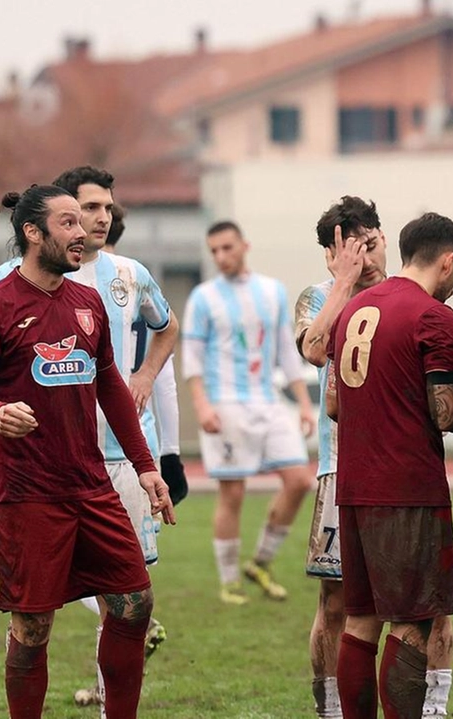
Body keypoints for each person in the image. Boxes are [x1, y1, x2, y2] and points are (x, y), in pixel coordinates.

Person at [0, 167, 180, 710]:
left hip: (92, 485)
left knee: (133, 602)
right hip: (28, 494)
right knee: (33, 629)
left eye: (84, 222)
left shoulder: (88, 303)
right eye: (68, 223)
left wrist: (148, 467)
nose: (82, 232)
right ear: (34, 233)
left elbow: (112, 389)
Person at [325, 212, 453, 719]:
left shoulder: (356, 307)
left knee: (360, 620)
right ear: (449, 262)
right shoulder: (433, 316)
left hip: (355, 484)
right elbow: (446, 412)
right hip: (407, 488)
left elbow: (334, 404)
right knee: (412, 623)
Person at [295, 196, 453, 718]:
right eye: (350, 248)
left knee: (429, 602)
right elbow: (315, 351)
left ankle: (433, 704)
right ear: (331, 255)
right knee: (340, 603)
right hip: (339, 467)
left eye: (371, 242)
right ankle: (331, 708)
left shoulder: (423, 298)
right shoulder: (317, 296)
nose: (365, 256)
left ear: (386, 237)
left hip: (403, 466)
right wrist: (343, 284)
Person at [182, 220, 316, 605]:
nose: (221, 257)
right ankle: (229, 581)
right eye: (214, 251)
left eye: (227, 248)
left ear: (244, 245)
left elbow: (286, 353)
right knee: (233, 492)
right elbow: (191, 357)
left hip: (268, 401)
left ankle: (260, 562)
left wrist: (303, 404)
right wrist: (202, 405)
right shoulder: (203, 298)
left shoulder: (272, 292)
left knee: (299, 480)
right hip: (225, 405)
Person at [104, 202, 189, 507]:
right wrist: (171, 452)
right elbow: (164, 380)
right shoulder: (134, 277)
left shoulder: (130, 277)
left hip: (117, 441)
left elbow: (164, 350)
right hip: (139, 436)